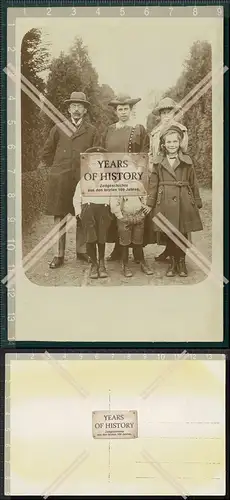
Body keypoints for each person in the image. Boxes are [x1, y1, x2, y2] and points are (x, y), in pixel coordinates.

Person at [41, 91, 100, 269]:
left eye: (80, 106)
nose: (76, 109)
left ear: (85, 110)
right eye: (73, 106)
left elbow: (97, 155)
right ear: (68, 109)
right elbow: (47, 152)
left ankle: (81, 251)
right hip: (60, 181)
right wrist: (54, 171)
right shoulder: (58, 128)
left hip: (82, 180)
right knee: (60, 217)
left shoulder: (92, 131)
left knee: (82, 214)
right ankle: (58, 255)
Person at [147, 124, 203, 278]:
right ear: (164, 144)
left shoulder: (187, 161)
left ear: (180, 143)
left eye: (175, 142)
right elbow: (153, 183)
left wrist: (196, 200)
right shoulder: (158, 162)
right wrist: (150, 202)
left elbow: (193, 182)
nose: (172, 145)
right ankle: (172, 263)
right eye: (169, 142)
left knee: (183, 233)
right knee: (169, 232)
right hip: (164, 200)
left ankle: (181, 262)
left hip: (184, 200)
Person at [101, 94, 150, 262]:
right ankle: (118, 248)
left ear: (131, 110)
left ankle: (137, 251)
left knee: (133, 210)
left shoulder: (139, 128)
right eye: (119, 109)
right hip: (113, 177)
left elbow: (144, 151)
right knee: (116, 211)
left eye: (126, 109)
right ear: (115, 111)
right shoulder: (109, 130)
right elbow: (103, 153)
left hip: (133, 177)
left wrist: (138, 173)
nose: (123, 112)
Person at [148, 97, 189, 262]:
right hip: (160, 176)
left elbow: (183, 150)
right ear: (159, 115)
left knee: (179, 218)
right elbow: (151, 153)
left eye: (169, 112)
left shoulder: (181, 130)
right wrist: (152, 169)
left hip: (175, 175)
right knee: (163, 214)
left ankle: (179, 256)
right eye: (163, 112)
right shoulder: (155, 132)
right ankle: (168, 250)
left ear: (174, 113)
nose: (166, 115)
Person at [73, 147, 112, 279]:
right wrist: (79, 213)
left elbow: (114, 195)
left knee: (101, 237)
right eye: (94, 163)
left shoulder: (108, 180)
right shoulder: (83, 181)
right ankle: (94, 264)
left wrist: (111, 210)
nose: (97, 166)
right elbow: (77, 198)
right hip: (88, 211)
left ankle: (102, 263)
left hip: (103, 211)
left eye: (100, 163)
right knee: (91, 238)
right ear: (89, 165)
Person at [110, 158, 153, 277]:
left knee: (138, 241)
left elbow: (144, 196)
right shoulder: (118, 186)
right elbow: (114, 203)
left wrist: (144, 210)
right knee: (124, 242)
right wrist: (120, 216)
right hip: (124, 218)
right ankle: (125, 264)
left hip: (139, 217)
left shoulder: (138, 184)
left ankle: (143, 262)